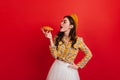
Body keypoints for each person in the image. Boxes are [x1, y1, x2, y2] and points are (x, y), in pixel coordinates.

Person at [41, 14, 93, 80]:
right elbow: (55, 56)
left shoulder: (78, 40)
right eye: (61, 21)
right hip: (57, 67)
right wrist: (50, 39)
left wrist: (78, 66)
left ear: (71, 26)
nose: (61, 23)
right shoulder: (57, 38)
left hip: (69, 70)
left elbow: (89, 54)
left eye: (64, 22)